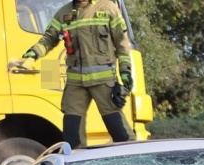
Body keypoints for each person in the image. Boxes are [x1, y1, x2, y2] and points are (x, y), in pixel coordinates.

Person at [10, 0, 133, 148]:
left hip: (103, 82)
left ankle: (134, 158)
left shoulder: (108, 8)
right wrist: (31, 56)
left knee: (119, 132)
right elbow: (48, 39)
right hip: (76, 84)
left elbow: (122, 44)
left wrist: (125, 73)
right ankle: (77, 162)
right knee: (72, 135)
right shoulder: (63, 13)